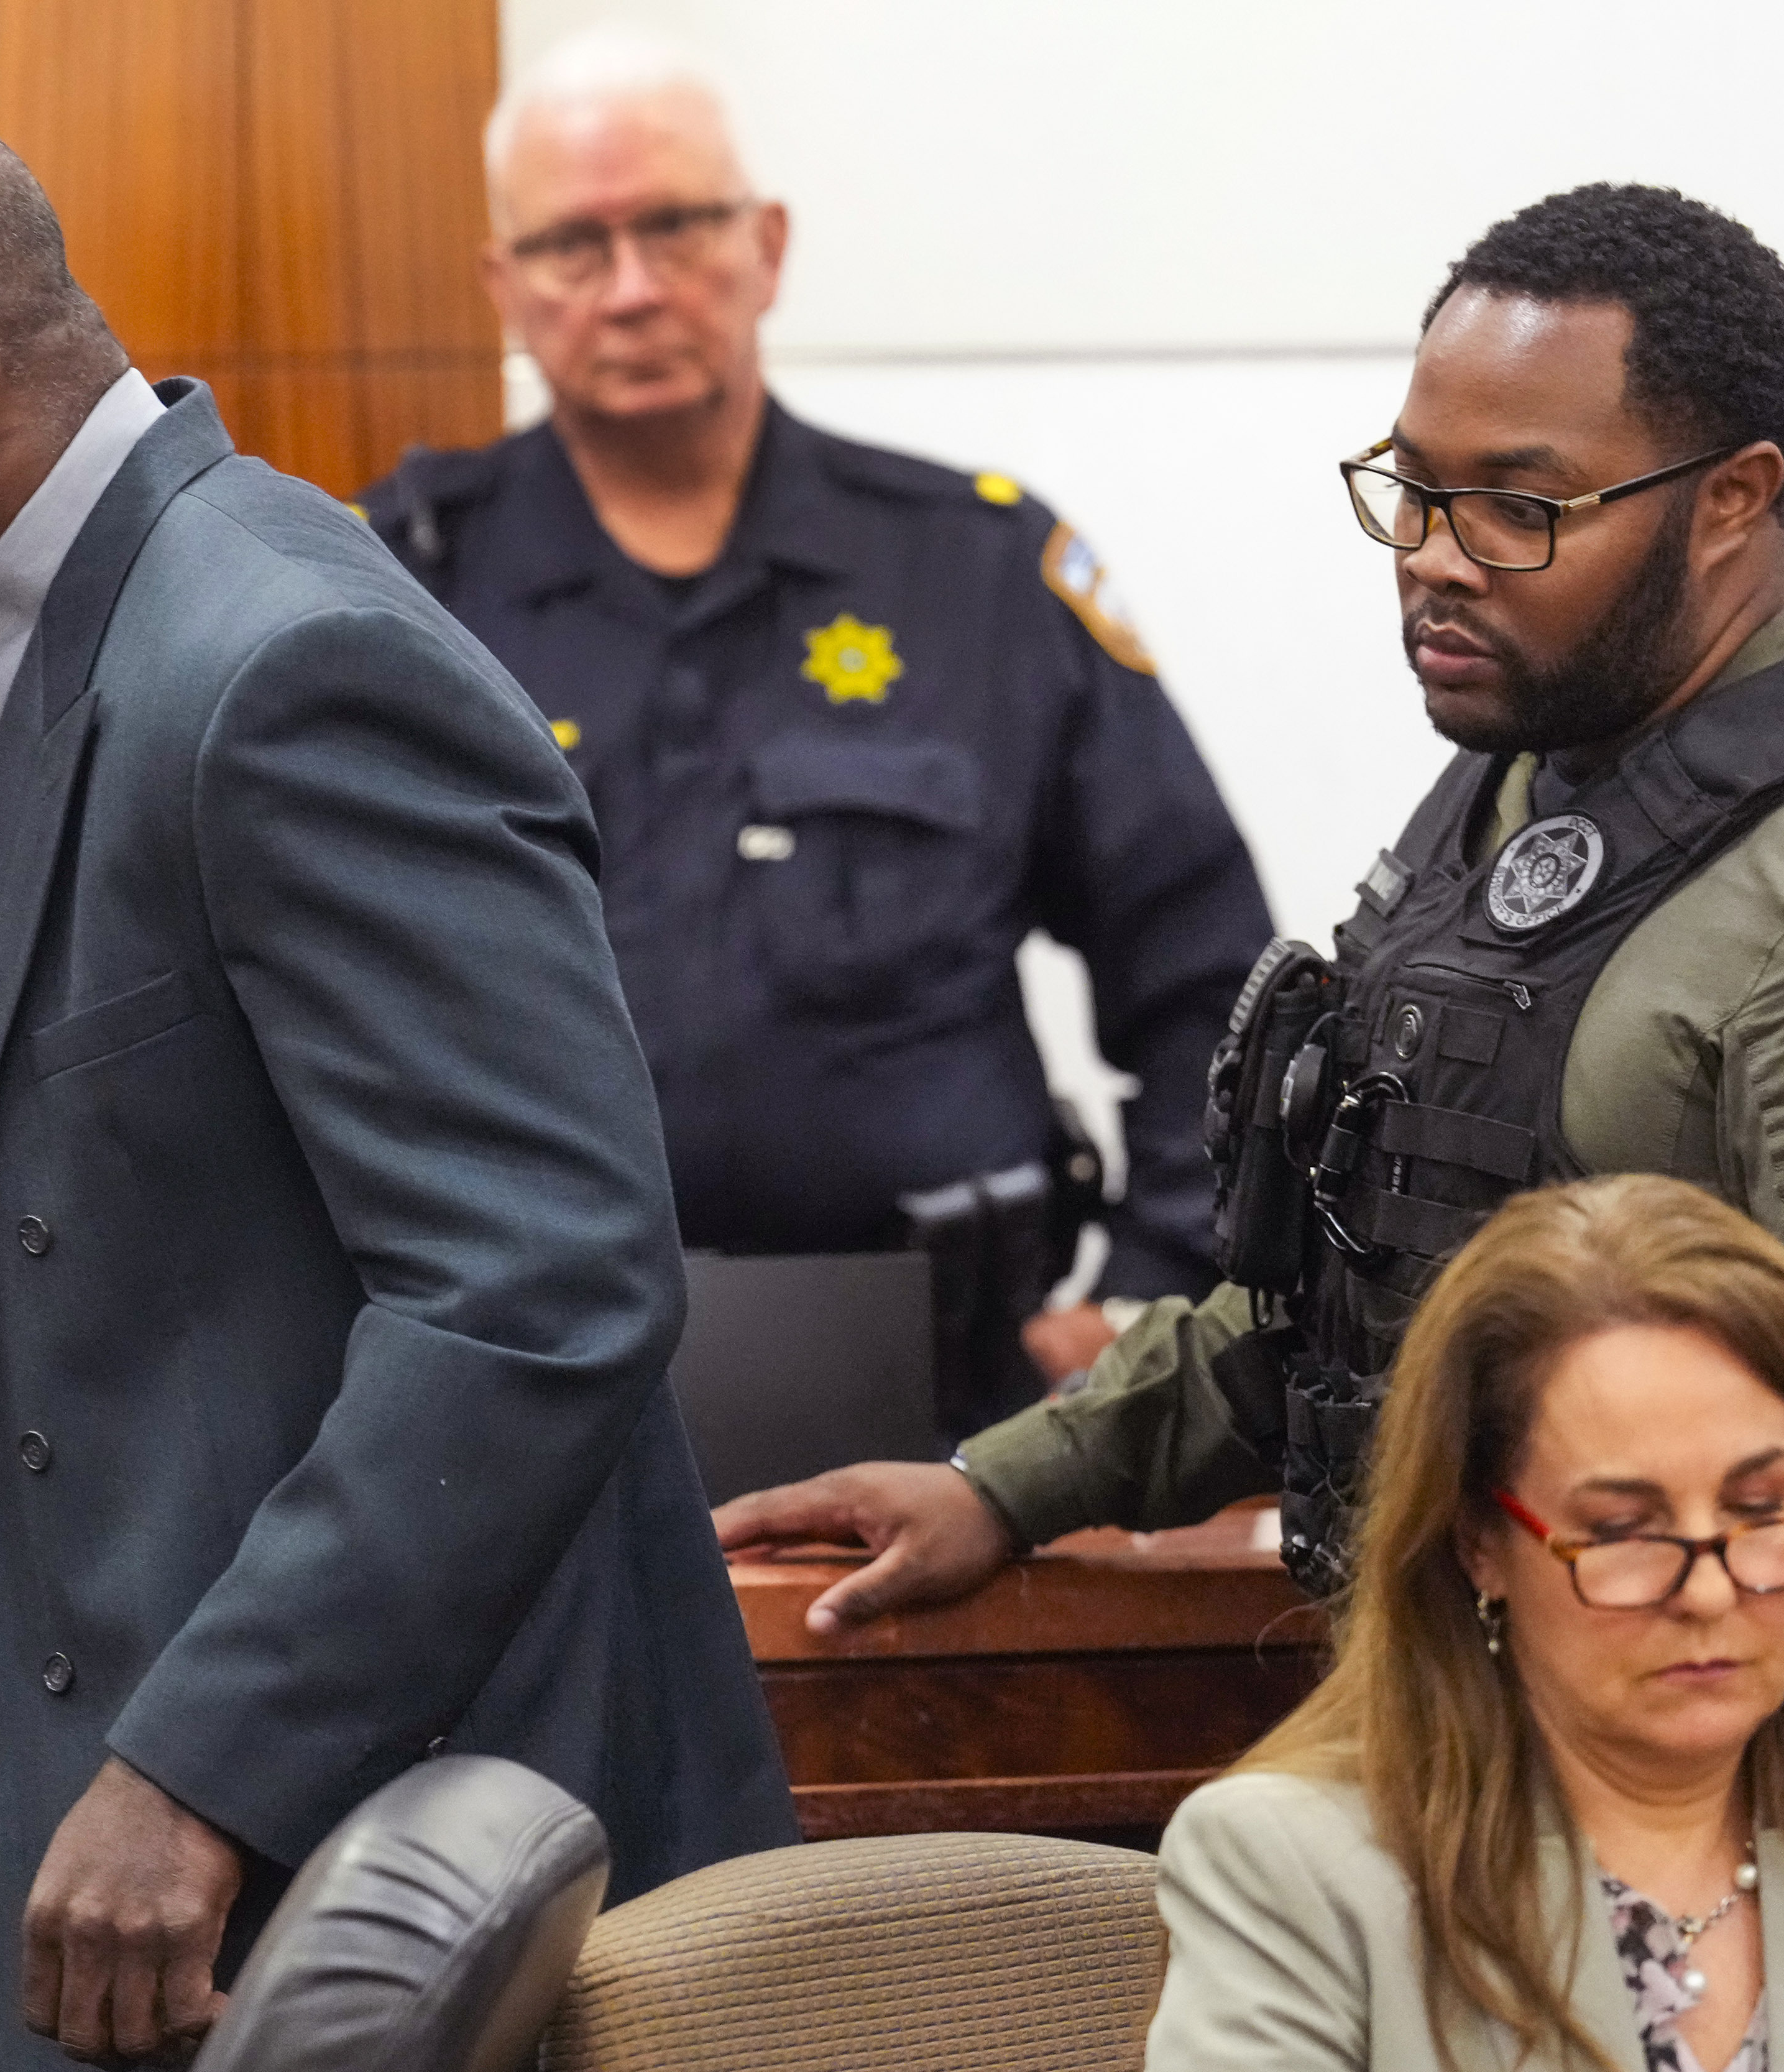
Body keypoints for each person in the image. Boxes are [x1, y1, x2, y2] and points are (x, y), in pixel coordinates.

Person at [719, 184, 1784, 1950]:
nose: (1437, 554)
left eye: (1520, 506)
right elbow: (1351, 1283)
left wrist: (1658, 1904)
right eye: (1415, 486)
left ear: (1737, 500)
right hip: (1484, 1816)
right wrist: (1009, 1481)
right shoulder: (1526, 786)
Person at [0, 103, 794, 2068]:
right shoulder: (4, 659)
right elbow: (15, 1219)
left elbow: (541, 1279)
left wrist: (200, 1766)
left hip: (324, 1841)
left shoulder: (282, 656)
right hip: (69, 1771)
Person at [359, 31, 1272, 1432]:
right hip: (518, 1375)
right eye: (570, 244)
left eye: (675, 224)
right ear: (503, 284)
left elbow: (1205, 967)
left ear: (766, 244)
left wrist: (1156, 1292)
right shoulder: (401, 590)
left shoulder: (974, 574)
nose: (633, 286)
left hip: (950, 1383)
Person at [1152, 1174, 1784, 2072]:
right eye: (1624, 1529)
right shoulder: (1294, 1870)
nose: (1712, 1593)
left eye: (1762, 1511)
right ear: (1479, 1538)